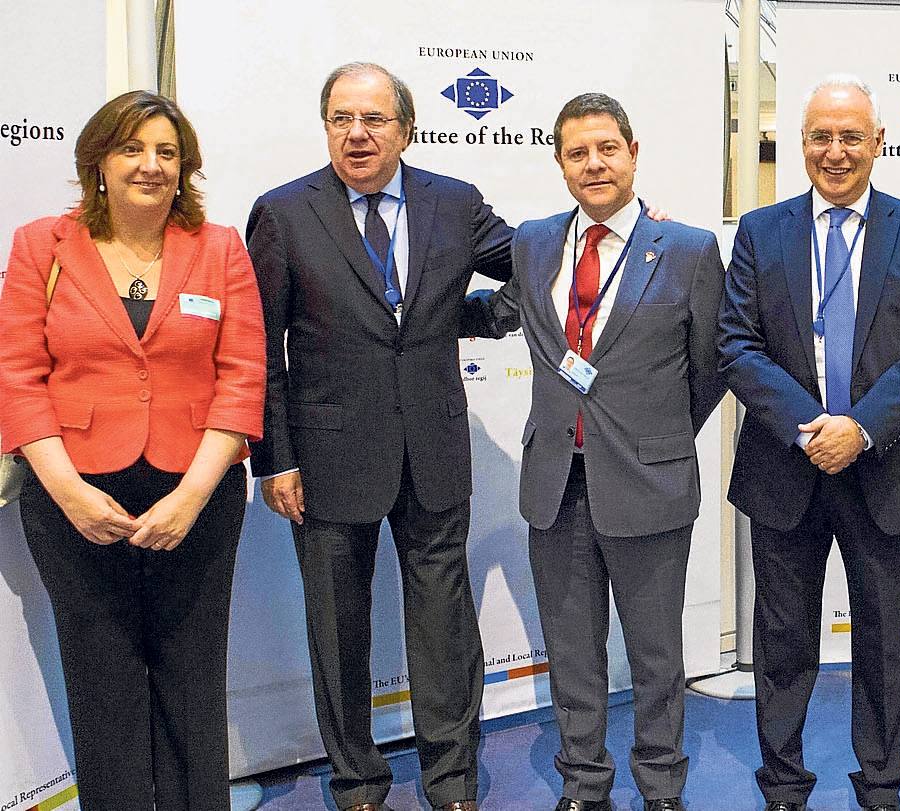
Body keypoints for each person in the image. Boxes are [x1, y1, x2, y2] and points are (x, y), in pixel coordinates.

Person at [246, 62, 513, 811]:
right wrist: (275, 459)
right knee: (338, 630)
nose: (356, 134)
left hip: (433, 450)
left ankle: (452, 779)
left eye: (373, 119)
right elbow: (261, 349)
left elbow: (538, 263)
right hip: (325, 459)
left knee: (444, 627)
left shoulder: (454, 203)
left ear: (406, 129)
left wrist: (478, 315)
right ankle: (358, 782)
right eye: (341, 119)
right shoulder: (283, 213)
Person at [460, 92, 726, 811]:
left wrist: (656, 434)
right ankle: (584, 781)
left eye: (607, 148)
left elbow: (711, 364)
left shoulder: (689, 248)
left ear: (633, 154)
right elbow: (506, 312)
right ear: (560, 164)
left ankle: (661, 785)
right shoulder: (535, 242)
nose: (594, 163)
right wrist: (412, 314)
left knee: (656, 654)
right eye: (577, 152)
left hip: (650, 481)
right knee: (572, 650)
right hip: (556, 481)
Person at [0, 90, 265, 808]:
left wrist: (191, 497)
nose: (150, 165)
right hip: (74, 495)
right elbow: (18, 377)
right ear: (99, 161)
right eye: (132, 148)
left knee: (192, 672)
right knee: (101, 676)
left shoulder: (219, 249)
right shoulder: (41, 246)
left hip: (196, 494)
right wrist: (69, 493)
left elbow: (242, 377)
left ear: (185, 168)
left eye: (167, 152)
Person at [718, 74, 900, 811]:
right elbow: (737, 346)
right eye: (821, 136)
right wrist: (811, 429)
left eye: (851, 136)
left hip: (887, 467)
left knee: (885, 642)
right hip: (785, 468)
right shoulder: (761, 232)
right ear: (800, 144)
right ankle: (783, 785)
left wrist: (859, 428)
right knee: (782, 640)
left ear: (879, 142)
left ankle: (881, 784)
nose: (836, 151)